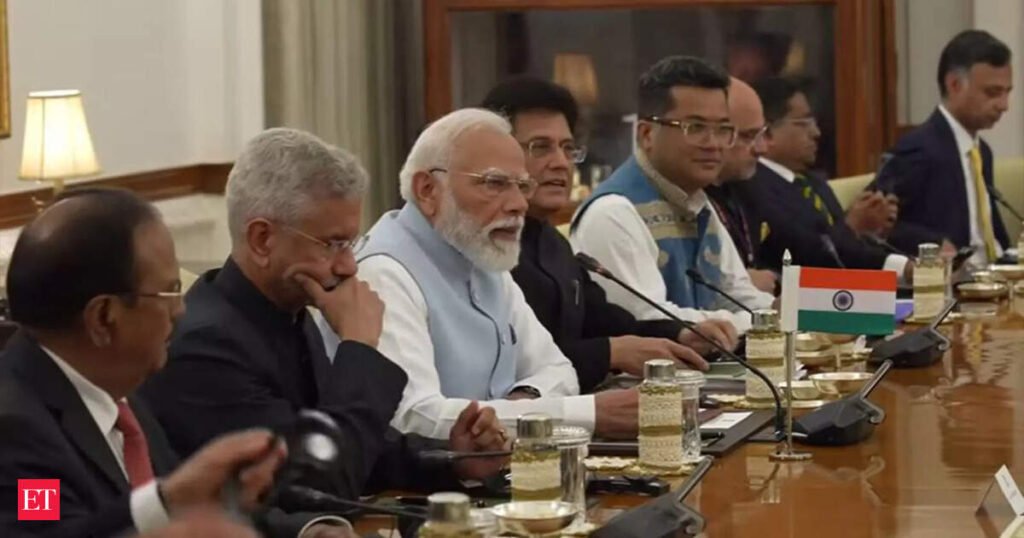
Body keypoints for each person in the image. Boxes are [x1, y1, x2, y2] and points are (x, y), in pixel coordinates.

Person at [140, 129, 506, 505]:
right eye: (332, 244)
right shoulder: (205, 348)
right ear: (262, 240)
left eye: (351, 243)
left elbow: (357, 444)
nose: (349, 265)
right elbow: (317, 483)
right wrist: (360, 347)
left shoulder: (290, 311)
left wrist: (454, 459)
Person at [0, 189, 349, 538]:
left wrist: (305, 532)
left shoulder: (120, 392)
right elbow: (51, 533)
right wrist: (165, 502)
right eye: (169, 292)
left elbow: (194, 507)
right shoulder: (17, 430)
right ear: (104, 318)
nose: (180, 310)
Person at [317, 108, 640, 440]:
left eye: (522, 186)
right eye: (495, 183)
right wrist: (589, 415)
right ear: (427, 189)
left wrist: (524, 402)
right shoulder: (384, 272)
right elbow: (415, 416)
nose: (519, 204)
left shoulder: (481, 253)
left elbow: (558, 369)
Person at [479, 76, 735, 393]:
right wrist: (610, 353)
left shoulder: (552, 243)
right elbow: (510, 364)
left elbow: (608, 322)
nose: (560, 163)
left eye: (567, 148)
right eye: (540, 147)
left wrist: (681, 333)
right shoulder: (482, 246)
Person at [571, 56, 774, 334]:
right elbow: (649, 320)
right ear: (646, 134)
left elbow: (738, 294)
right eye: (696, 128)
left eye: (723, 130)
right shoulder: (612, 213)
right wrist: (757, 321)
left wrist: (781, 311)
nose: (713, 144)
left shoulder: (698, 202)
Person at [735, 77, 911, 280]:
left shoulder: (812, 182)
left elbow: (847, 249)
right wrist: (851, 227)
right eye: (803, 123)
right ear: (767, 133)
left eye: (814, 123)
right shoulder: (753, 185)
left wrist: (879, 238)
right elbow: (806, 255)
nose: (816, 133)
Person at [871, 30, 1013, 266]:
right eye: (992, 93)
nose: (1004, 105)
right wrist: (933, 243)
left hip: (994, 275)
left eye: (1007, 92)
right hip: (953, 280)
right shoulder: (917, 149)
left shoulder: (982, 152)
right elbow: (874, 226)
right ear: (954, 85)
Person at [705, 77, 776, 294]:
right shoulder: (682, 197)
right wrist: (743, 283)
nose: (762, 149)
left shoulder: (751, 186)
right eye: (748, 136)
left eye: (762, 134)